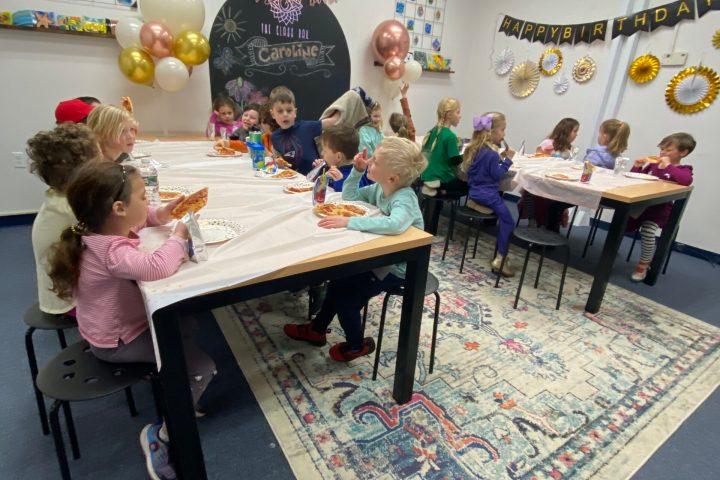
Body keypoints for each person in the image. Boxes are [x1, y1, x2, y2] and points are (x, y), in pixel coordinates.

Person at [47, 161, 216, 480]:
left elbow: (144, 220)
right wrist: (178, 237)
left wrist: (166, 212)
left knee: (188, 325)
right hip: (117, 343)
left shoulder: (103, 227)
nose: (148, 203)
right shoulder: (110, 250)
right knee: (203, 367)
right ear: (119, 207)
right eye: (143, 197)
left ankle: (166, 378)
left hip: (115, 329)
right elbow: (156, 267)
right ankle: (163, 433)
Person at [283, 136, 426, 361]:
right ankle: (317, 329)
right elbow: (350, 196)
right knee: (338, 281)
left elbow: (396, 224)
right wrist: (357, 172)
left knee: (347, 302)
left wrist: (349, 222)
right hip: (379, 256)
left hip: (397, 267)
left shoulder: (404, 198)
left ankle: (356, 346)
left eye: (375, 162)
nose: (369, 162)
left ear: (393, 177)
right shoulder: (380, 188)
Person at [28, 123, 102, 315]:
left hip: (61, 289)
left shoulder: (60, 197)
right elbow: (112, 238)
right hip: (70, 301)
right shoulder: (71, 209)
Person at [627, 132, 695, 281]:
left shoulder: (684, 170)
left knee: (648, 231)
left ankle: (644, 264)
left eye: (668, 150)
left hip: (659, 210)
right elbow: (637, 179)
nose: (663, 152)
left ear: (683, 152)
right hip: (641, 205)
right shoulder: (653, 165)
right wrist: (637, 167)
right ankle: (608, 255)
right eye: (662, 149)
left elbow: (686, 181)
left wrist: (668, 166)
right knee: (620, 222)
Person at [462, 113, 516, 277]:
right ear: (491, 132)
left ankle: (475, 203)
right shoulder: (491, 154)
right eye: (502, 130)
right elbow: (497, 174)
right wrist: (508, 160)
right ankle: (500, 258)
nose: (504, 134)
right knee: (508, 221)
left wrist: (499, 158)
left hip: (473, 192)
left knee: (501, 214)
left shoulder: (476, 149)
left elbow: (482, 169)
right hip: (488, 195)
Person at [522, 118, 580, 226]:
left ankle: (551, 223)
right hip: (541, 179)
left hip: (557, 181)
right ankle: (533, 220)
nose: (577, 135)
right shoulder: (548, 143)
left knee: (564, 198)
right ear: (566, 130)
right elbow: (537, 161)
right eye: (575, 131)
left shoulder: (568, 149)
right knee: (529, 191)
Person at [269, 85, 339, 174]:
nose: (285, 114)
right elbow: (279, 161)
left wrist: (351, 99)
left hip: (315, 179)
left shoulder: (307, 127)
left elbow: (333, 121)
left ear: (295, 112)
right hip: (293, 181)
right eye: (280, 111)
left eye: (289, 110)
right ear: (273, 114)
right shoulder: (274, 137)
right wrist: (279, 164)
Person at [419, 97, 464, 198]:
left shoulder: (432, 131)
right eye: (458, 112)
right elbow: (455, 161)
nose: (460, 116)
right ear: (448, 115)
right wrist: (468, 155)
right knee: (467, 186)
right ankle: (442, 190)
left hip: (425, 175)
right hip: (442, 177)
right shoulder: (450, 136)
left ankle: (434, 188)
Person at [312, 124, 363, 191]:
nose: (322, 153)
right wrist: (319, 170)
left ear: (338, 156)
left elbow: (344, 198)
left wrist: (339, 182)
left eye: (325, 151)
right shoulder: (333, 168)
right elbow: (313, 184)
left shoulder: (353, 179)